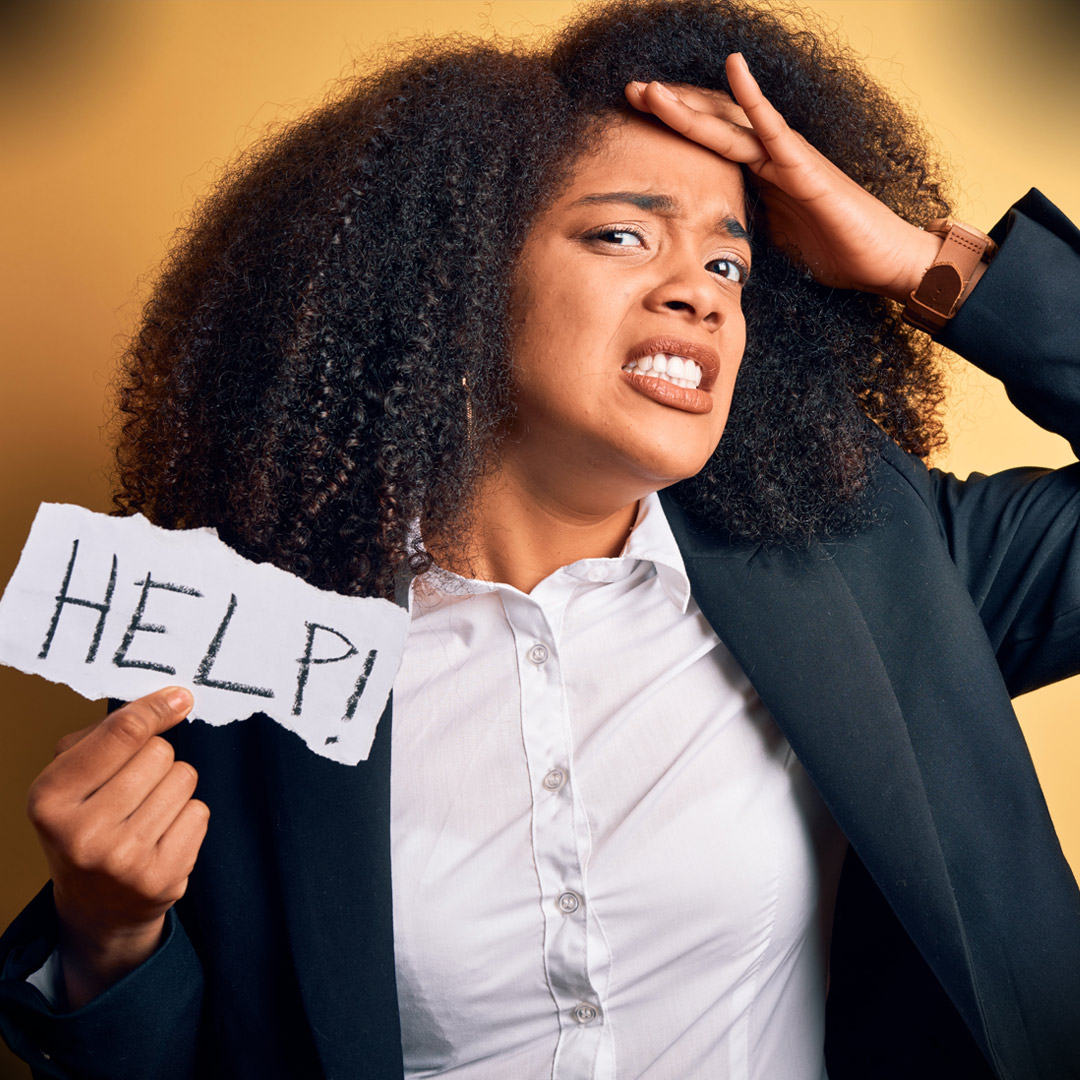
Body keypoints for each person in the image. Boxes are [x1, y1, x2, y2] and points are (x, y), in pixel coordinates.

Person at [1, 0, 1078, 1077]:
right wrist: (108, 942)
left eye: (730, 265)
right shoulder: (244, 645)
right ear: (455, 281)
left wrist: (919, 263)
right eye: (622, 234)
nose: (696, 294)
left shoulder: (873, 559)